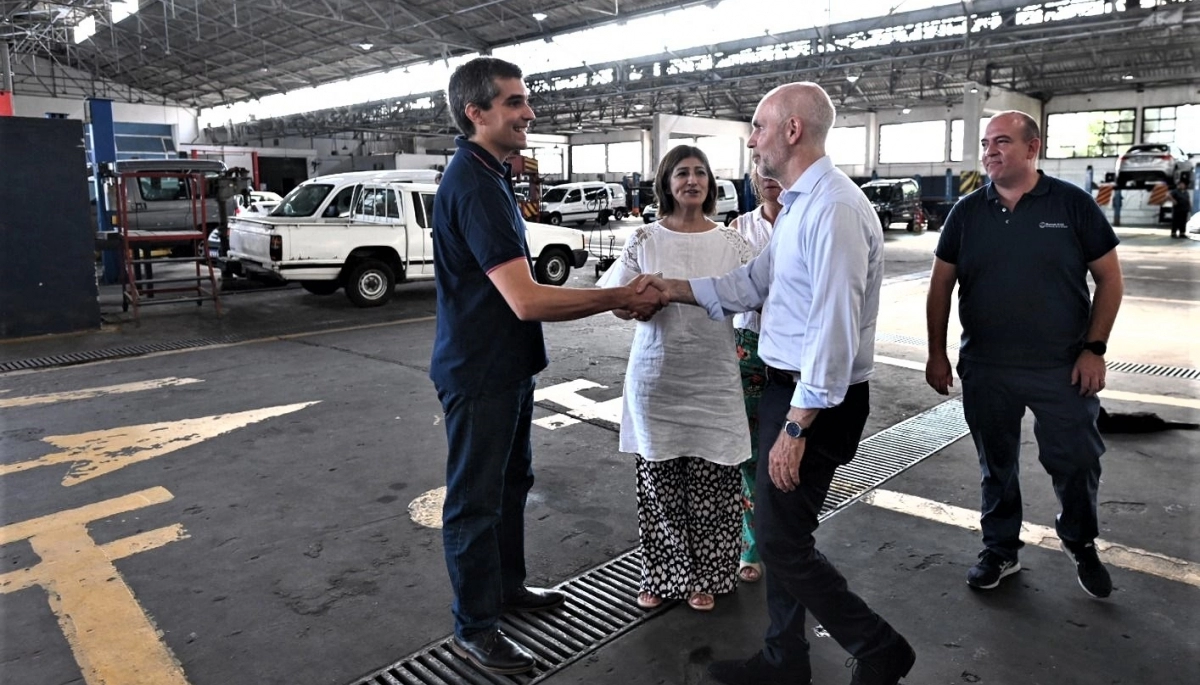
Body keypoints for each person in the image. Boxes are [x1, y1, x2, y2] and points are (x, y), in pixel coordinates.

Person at [640, 82, 915, 685]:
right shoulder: (797, 207)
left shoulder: (834, 209)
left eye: (760, 126)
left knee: (779, 538)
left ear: (793, 131)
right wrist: (672, 288)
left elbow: (834, 330)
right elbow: (749, 284)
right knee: (785, 533)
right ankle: (784, 658)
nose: (753, 139)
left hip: (812, 404)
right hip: (785, 392)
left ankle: (878, 647)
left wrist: (796, 425)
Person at [430, 56, 667, 676]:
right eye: (513, 102)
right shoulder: (476, 184)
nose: (528, 112)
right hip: (479, 372)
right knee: (474, 503)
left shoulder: (492, 174)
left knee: (510, 487)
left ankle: (506, 590)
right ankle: (475, 627)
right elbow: (526, 297)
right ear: (474, 113)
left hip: (505, 367)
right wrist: (619, 295)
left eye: (525, 99)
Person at [924, 110, 1124, 599]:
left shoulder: (1073, 205)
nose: (990, 151)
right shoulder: (968, 212)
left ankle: (1079, 540)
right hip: (988, 367)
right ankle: (1000, 549)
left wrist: (1094, 349)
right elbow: (940, 288)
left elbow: (1111, 280)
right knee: (997, 464)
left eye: (1002, 142)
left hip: (1063, 367)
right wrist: (936, 353)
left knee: (1077, 460)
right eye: (987, 143)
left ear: (1033, 148)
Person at [597, 144, 753, 613]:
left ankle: (707, 575)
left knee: (714, 484)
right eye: (681, 173)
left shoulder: (733, 243)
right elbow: (613, 298)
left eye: (700, 173)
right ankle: (664, 575)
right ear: (666, 183)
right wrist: (632, 304)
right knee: (659, 485)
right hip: (656, 380)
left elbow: (757, 295)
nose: (691, 180)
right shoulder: (644, 240)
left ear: (711, 184)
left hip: (714, 381)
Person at [729, 168, 784, 585]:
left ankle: (790, 538)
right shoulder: (738, 229)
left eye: (775, 170)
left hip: (791, 354)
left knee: (789, 450)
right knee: (749, 452)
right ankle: (752, 544)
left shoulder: (806, 218)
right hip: (747, 348)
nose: (768, 177)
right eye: (760, 171)